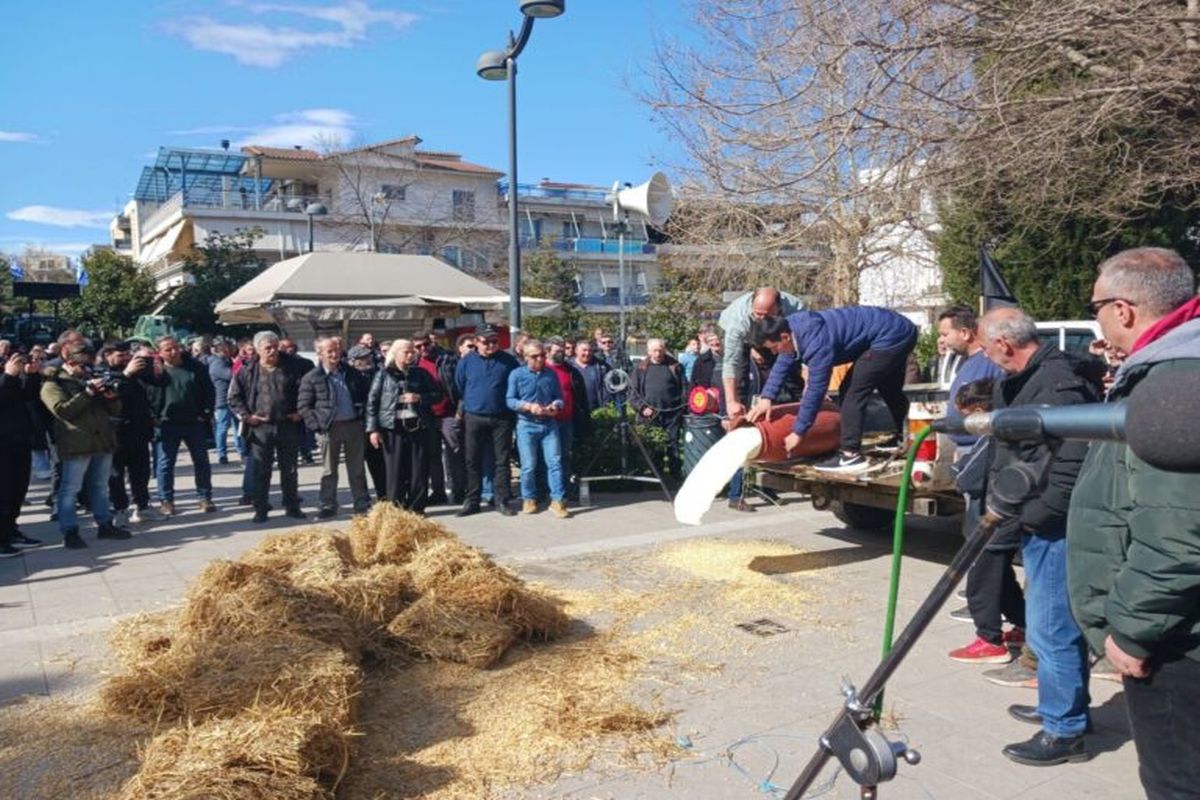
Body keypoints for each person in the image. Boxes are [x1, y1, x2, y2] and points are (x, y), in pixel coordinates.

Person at [1066, 247, 1200, 797]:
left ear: (1122, 309)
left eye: (1095, 306)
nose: (1096, 320)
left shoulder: (1173, 383)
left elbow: (1180, 533)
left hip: (1176, 643)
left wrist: (1130, 630)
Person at [977, 307, 1098, 767]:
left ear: (1005, 344)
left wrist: (1038, 513)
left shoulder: (1056, 384)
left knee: (1051, 626)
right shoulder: (1034, 378)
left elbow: (1072, 456)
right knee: (1050, 621)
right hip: (1035, 515)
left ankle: (1064, 729)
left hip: (1051, 521)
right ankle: (1061, 704)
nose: (990, 360)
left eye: (989, 350)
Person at [749, 307, 917, 472]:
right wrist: (767, 398)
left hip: (891, 335)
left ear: (785, 337)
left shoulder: (816, 344)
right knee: (888, 386)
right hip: (894, 329)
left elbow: (815, 392)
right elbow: (784, 362)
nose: (773, 352)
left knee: (851, 390)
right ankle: (908, 437)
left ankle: (851, 455)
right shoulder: (790, 327)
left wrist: (798, 432)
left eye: (773, 347)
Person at [944, 377, 1026, 666]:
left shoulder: (992, 436)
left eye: (968, 417)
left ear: (980, 409)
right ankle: (1024, 625)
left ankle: (989, 639)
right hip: (1003, 518)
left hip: (990, 521)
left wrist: (956, 472)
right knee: (1002, 581)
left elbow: (968, 475)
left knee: (981, 581)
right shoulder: (1009, 432)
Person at [40, 343, 130, 548]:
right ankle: (70, 531)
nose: (87, 370)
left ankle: (105, 524)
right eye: (83, 366)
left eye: (89, 366)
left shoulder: (88, 379)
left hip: (102, 441)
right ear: (70, 362)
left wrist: (110, 397)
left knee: (100, 486)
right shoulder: (53, 384)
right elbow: (63, 411)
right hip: (76, 443)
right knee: (70, 489)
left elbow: (115, 410)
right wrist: (87, 393)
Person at [228, 331, 309, 523]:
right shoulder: (247, 370)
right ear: (257, 349)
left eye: (275, 346)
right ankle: (261, 508)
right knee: (261, 470)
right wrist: (247, 417)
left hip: (287, 425)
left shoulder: (294, 366)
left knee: (289, 469)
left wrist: (301, 411)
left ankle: (292, 505)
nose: (273, 351)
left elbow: (307, 391)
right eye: (268, 348)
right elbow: (233, 398)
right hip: (261, 428)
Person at [299, 336, 372, 518]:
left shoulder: (351, 372)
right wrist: (317, 426)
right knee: (329, 470)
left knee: (357, 468)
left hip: (353, 426)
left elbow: (365, 395)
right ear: (320, 354)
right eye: (329, 351)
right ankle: (328, 504)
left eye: (336, 350)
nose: (334, 354)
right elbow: (304, 406)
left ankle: (361, 502)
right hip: (329, 428)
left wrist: (362, 417)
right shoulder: (312, 377)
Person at [367, 339, 441, 512]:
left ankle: (416, 508)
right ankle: (396, 509)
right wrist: (373, 430)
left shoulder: (420, 373)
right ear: (395, 354)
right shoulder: (383, 374)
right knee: (395, 471)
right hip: (393, 429)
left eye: (411, 352)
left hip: (417, 427)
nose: (410, 355)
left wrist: (420, 398)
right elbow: (372, 402)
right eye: (405, 352)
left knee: (418, 471)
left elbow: (437, 394)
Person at [146, 336, 217, 516]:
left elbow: (209, 391)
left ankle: (205, 497)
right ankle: (166, 501)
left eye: (175, 347)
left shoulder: (196, 367)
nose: (173, 352)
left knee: (201, 461)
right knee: (165, 464)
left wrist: (205, 414)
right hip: (167, 424)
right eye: (168, 349)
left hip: (194, 422)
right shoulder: (155, 371)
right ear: (160, 352)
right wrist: (154, 418)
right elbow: (148, 397)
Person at [455, 324, 519, 517]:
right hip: (474, 416)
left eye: (494, 341)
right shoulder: (466, 361)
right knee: (472, 460)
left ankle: (501, 500)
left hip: (501, 417)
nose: (490, 345)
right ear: (476, 342)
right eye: (486, 341)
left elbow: (514, 386)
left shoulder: (508, 361)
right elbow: (459, 385)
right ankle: (473, 500)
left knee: (501, 461)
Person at [99, 342, 162, 527]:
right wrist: (126, 374)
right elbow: (110, 391)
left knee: (141, 471)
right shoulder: (100, 371)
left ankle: (142, 506)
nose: (126, 358)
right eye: (121, 355)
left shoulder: (136, 370)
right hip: (115, 431)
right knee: (116, 474)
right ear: (108, 355)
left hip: (139, 429)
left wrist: (156, 367)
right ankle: (120, 509)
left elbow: (159, 382)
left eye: (128, 354)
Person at [717, 287, 803, 422]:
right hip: (745, 336)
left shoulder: (796, 309)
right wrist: (731, 401)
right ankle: (730, 415)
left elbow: (806, 351)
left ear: (779, 309)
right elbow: (731, 363)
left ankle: (795, 406)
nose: (762, 319)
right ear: (752, 306)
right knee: (740, 373)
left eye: (767, 315)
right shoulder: (738, 320)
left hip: (776, 335)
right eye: (758, 314)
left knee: (790, 367)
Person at [507, 339, 570, 518]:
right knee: (528, 465)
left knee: (555, 463)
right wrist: (528, 406)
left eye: (543, 355)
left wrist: (555, 406)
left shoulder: (551, 374)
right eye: (535, 356)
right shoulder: (516, 375)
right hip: (526, 425)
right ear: (525, 357)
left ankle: (558, 500)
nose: (540, 359)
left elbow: (559, 397)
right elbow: (509, 400)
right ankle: (529, 498)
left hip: (549, 424)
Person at [690, 332, 752, 512]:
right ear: (708, 344)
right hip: (711, 413)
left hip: (734, 412)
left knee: (737, 454)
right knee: (711, 454)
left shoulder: (734, 360)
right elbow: (695, 387)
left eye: (719, 342)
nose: (717, 344)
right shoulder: (702, 361)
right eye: (713, 343)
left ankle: (735, 496)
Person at [0, 352, 44, 556]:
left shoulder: (9, 378)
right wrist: (8, 376)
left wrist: (32, 375)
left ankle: (11, 530)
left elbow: (26, 396)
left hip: (19, 441)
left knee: (18, 489)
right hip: (4, 445)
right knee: (5, 492)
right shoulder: (6, 378)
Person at [633, 338, 685, 481]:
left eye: (661, 350)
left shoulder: (675, 366)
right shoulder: (641, 368)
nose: (658, 353)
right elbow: (633, 393)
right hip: (650, 415)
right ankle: (656, 476)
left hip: (672, 414)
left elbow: (684, 389)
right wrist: (642, 408)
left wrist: (681, 408)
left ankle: (676, 476)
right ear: (649, 351)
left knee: (672, 444)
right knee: (654, 447)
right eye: (655, 350)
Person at [545, 337, 590, 499]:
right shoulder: (542, 369)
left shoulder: (571, 371)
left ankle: (564, 489)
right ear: (548, 351)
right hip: (547, 421)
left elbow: (580, 395)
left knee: (565, 456)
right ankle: (547, 490)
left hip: (567, 420)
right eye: (557, 350)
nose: (561, 353)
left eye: (562, 349)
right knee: (550, 458)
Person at [416, 336, 457, 506]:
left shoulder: (446, 359)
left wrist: (459, 411)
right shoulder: (414, 363)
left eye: (426, 344)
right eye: (418, 345)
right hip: (427, 416)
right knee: (433, 456)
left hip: (448, 413)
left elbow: (458, 385)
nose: (423, 348)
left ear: (432, 343)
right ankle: (438, 491)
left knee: (453, 453)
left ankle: (458, 489)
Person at [348, 345, 387, 501]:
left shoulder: (376, 374)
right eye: (363, 358)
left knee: (378, 463)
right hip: (355, 424)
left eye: (368, 357)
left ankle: (383, 495)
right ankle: (362, 498)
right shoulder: (348, 376)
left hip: (375, 424)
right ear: (353, 361)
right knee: (357, 466)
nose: (368, 360)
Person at [281, 338, 317, 465]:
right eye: (286, 347)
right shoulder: (278, 364)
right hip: (284, 403)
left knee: (304, 430)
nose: (289, 349)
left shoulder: (305, 363)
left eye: (292, 346)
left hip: (303, 400)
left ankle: (306, 454)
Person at [208, 340, 242, 465]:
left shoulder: (225, 361)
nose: (232, 350)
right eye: (230, 348)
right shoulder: (217, 363)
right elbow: (231, 375)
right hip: (222, 400)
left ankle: (241, 450)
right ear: (224, 350)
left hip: (232, 399)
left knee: (237, 426)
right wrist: (238, 363)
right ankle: (222, 454)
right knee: (222, 428)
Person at [571, 339, 609, 409]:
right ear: (576, 351)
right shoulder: (569, 367)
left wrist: (605, 405)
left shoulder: (599, 367)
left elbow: (604, 389)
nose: (587, 353)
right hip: (574, 411)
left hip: (595, 411)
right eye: (584, 350)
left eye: (590, 350)